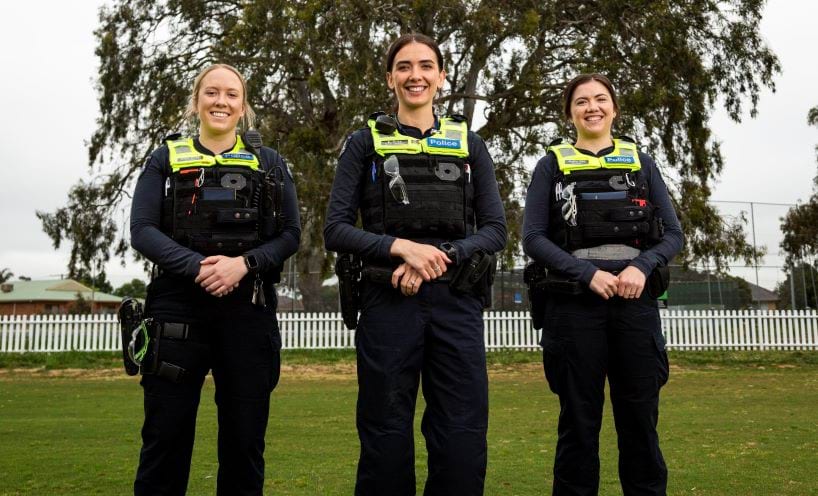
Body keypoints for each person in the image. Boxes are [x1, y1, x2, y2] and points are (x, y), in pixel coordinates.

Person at [324, 33, 507, 495]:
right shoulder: (362, 144)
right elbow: (336, 229)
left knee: (462, 438)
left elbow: (494, 230)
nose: (415, 75)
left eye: (426, 66)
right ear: (390, 78)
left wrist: (437, 258)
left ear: (441, 77)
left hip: (456, 304)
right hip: (387, 303)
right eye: (404, 67)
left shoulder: (471, 145)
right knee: (385, 436)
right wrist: (401, 248)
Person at [129, 63, 301, 495]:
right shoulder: (165, 158)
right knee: (165, 440)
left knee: (244, 443)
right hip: (176, 309)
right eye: (211, 93)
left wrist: (242, 265)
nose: (220, 101)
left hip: (248, 308)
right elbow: (143, 230)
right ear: (196, 101)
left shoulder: (269, 163)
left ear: (243, 107)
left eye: (231, 94)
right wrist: (197, 267)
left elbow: (291, 234)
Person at [522, 73, 684, 496]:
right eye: (581, 101)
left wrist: (641, 267)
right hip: (573, 309)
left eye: (600, 99)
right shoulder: (550, 166)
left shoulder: (641, 163)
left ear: (614, 108)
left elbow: (673, 235)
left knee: (640, 423)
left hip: (635, 307)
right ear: (569, 112)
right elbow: (533, 237)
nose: (591, 107)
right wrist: (587, 274)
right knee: (578, 422)